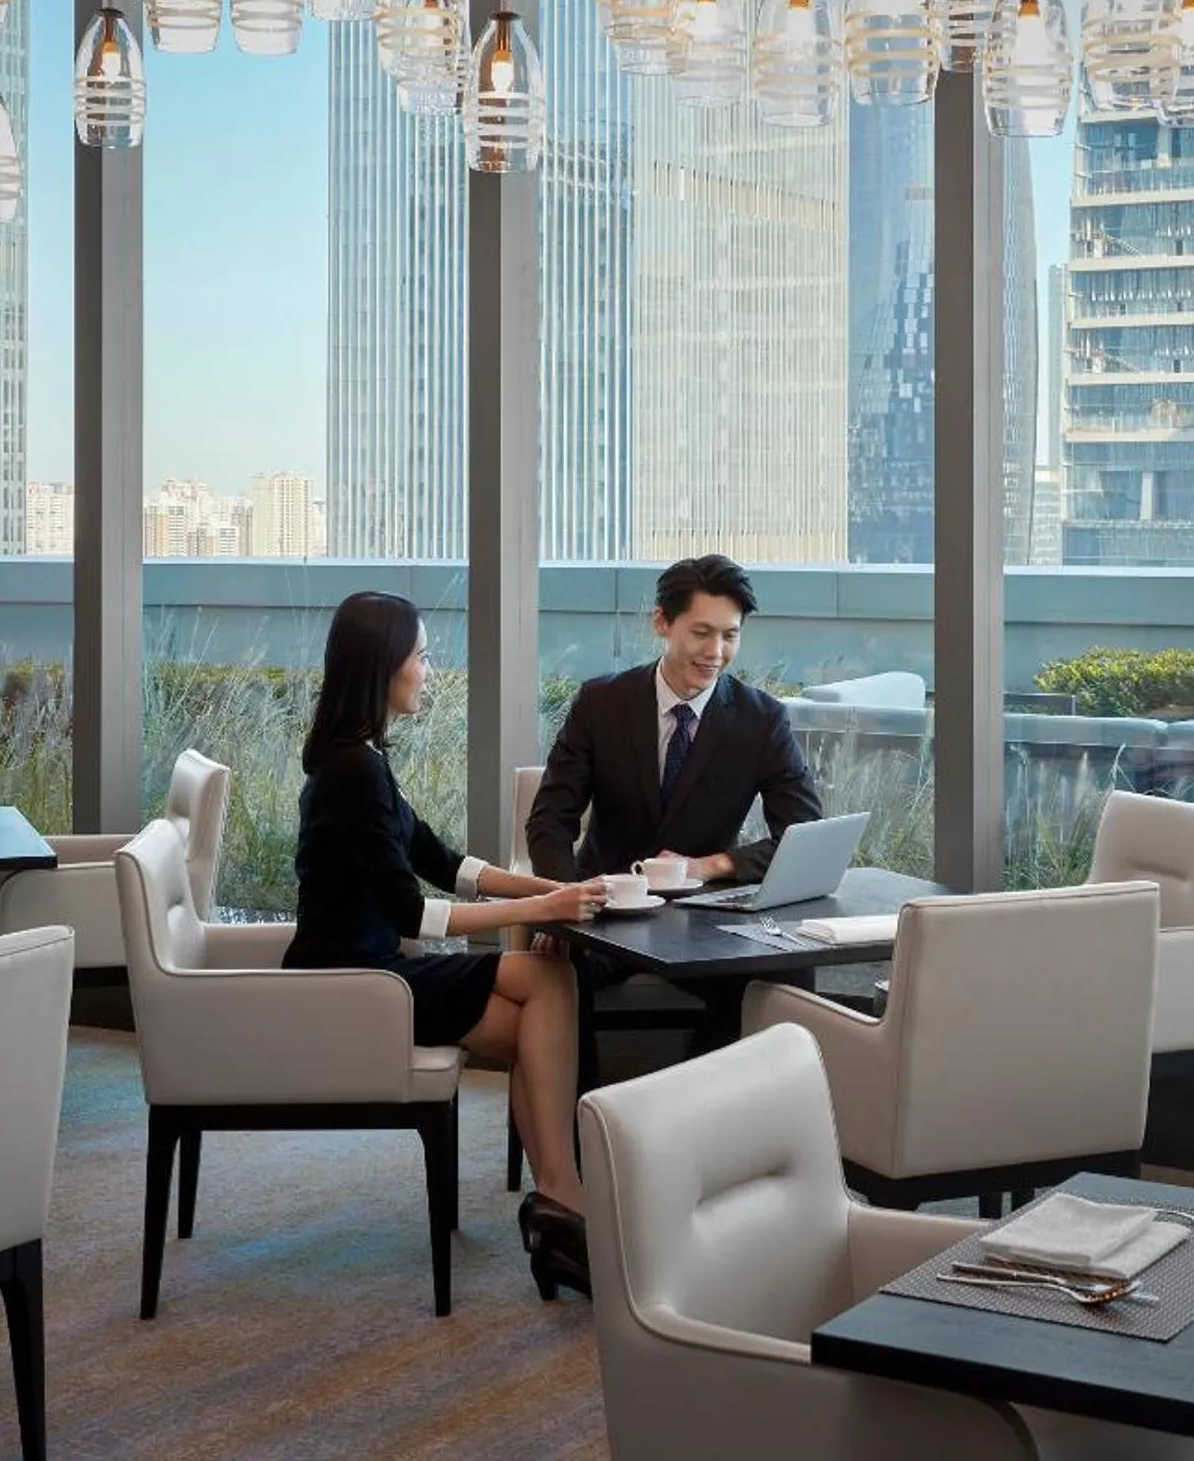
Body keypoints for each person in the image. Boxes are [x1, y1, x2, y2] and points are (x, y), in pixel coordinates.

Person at [287, 590, 609, 1301]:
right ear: (384, 667)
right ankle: (563, 1197)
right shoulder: (351, 772)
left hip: (372, 969)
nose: (430, 671)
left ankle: (559, 1199)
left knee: (542, 1000)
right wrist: (548, 902)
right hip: (354, 981)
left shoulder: (362, 758)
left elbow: (445, 863)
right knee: (547, 987)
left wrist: (545, 892)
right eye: (422, 657)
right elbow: (409, 910)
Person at [527, 554, 822, 883]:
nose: (715, 651)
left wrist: (711, 865)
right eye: (701, 632)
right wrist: (561, 900)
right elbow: (549, 821)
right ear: (661, 622)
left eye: (729, 636)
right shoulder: (600, 703)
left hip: (704, 917)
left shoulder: (762, 720)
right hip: (602, 908)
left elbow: (805, 839)